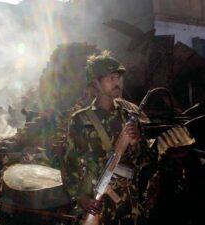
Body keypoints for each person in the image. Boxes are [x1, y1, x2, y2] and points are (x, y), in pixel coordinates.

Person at [61, 51, 157, 225]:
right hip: (97, 203)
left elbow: (147, 161)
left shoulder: (129, 118)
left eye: (118, 77)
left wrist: (136, 144)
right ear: (96, 83)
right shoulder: (80, 120)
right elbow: (69, 165)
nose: (117, 82)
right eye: (110, 78)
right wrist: (81, 197)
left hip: (128, 206)